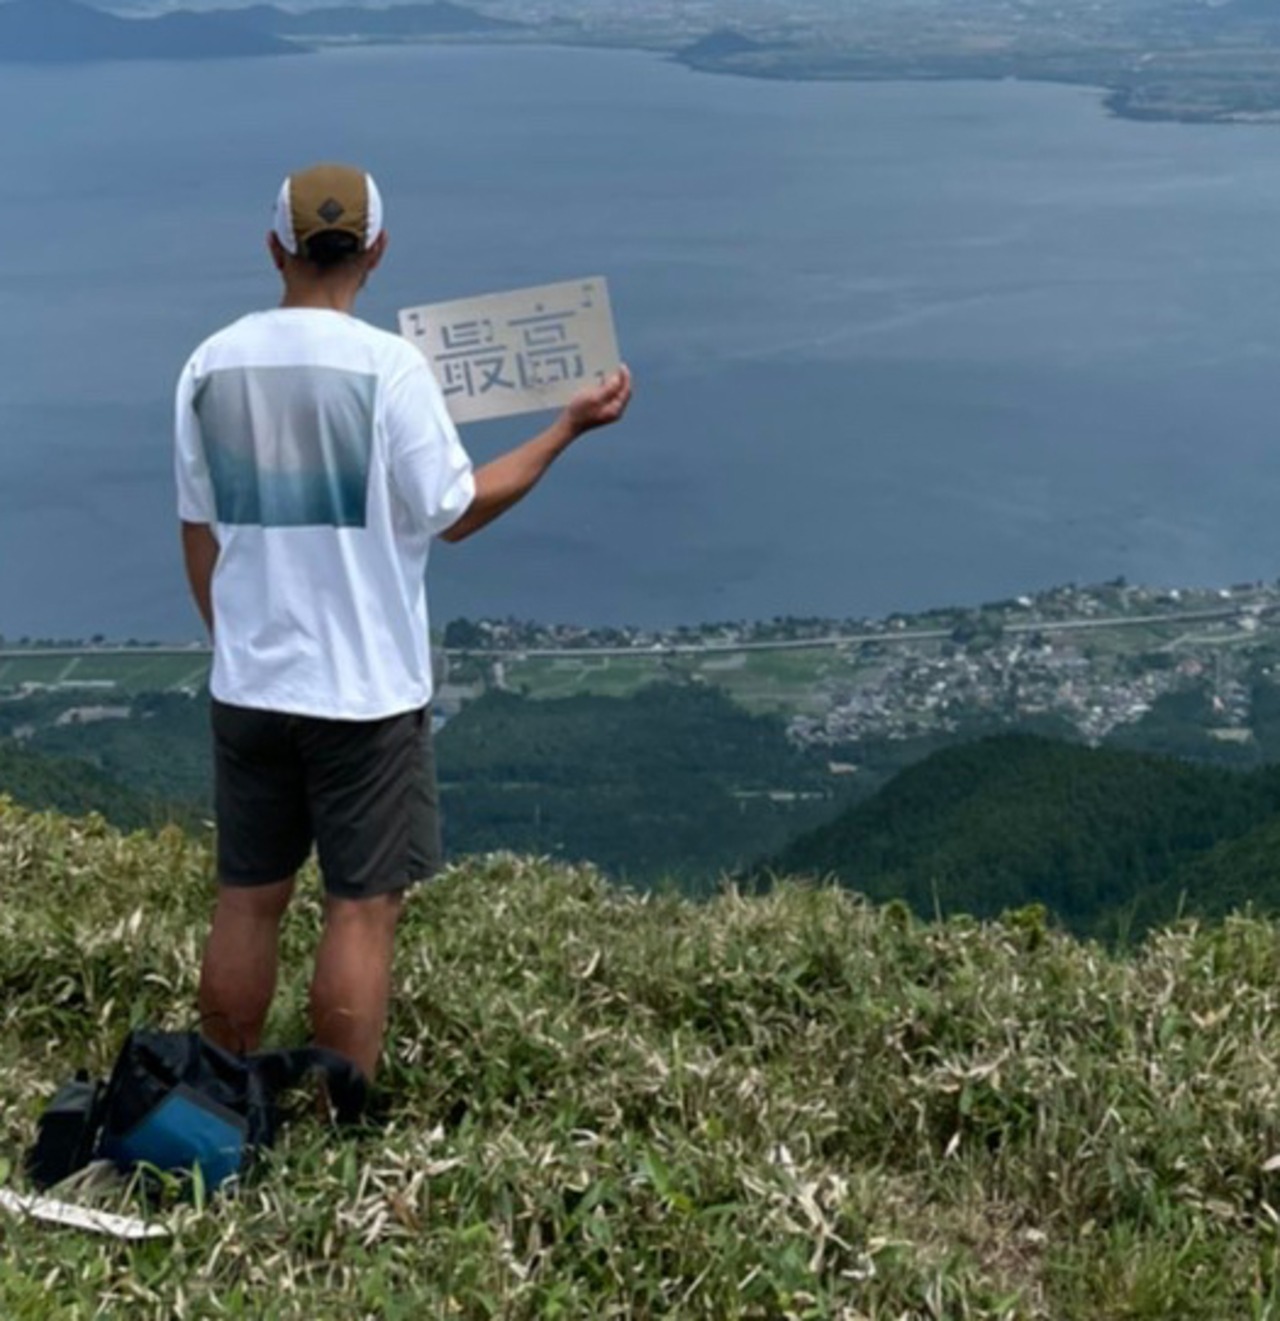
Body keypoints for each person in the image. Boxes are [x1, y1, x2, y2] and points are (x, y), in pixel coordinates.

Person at [175, 162, 631, 1084]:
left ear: (275, 247)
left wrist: (238, 646)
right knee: (360, 908)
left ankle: (218, 1099)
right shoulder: (390, 368)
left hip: (251, 685)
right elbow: (455, 511)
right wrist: (565, 430)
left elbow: (198, 532)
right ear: (376, 249)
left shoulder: (210, 364)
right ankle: (335, 1116)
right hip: (366, 693)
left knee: (248, 899)